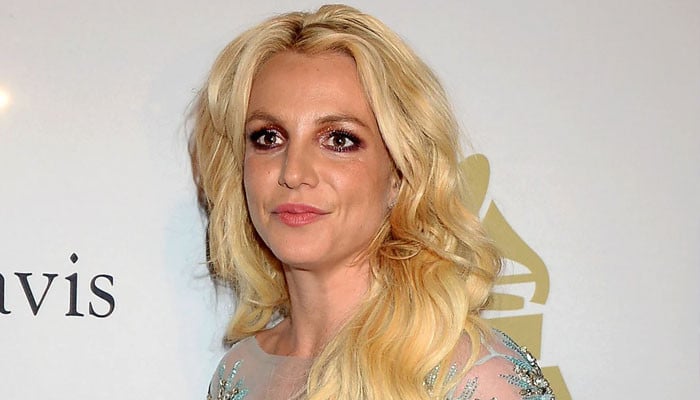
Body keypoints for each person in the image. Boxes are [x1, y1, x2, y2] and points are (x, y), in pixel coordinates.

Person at [190, 4, 554, 400]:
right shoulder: (239, 372)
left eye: (338, 139)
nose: (293, 173)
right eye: (268, 137)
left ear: (399, 172)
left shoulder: (476, 378)